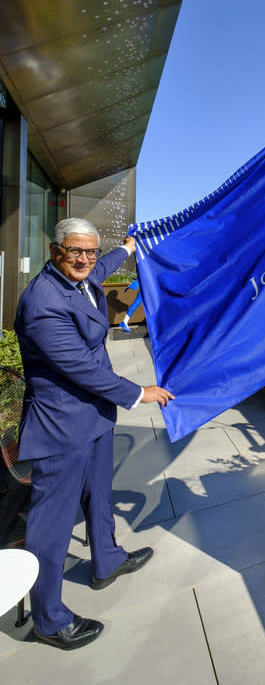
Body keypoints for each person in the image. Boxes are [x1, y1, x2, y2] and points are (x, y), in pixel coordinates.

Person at [14, 218, 174, 650]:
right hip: (62, 426)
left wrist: (128, 249)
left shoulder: (82, 275)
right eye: (75, 251)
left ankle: (107, 560)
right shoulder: (43, 302)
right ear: (54, 251)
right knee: (52, 525)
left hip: (95, 418)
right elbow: (79, 368)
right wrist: (140, 392)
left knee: (98, 493)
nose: (85, 259)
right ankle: (48, 619)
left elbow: (99, 270)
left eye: (90, 251)